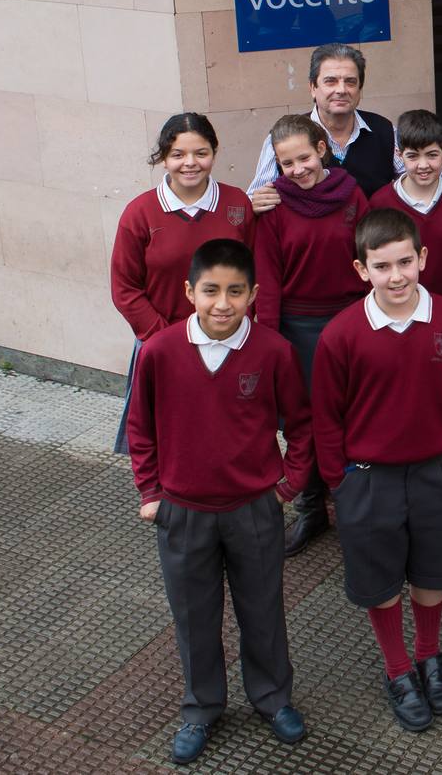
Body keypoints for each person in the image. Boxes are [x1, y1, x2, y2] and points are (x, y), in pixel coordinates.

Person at [126, 239, 309, 765]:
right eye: (211, 291)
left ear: (253, 294)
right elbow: (140, 428)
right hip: (182, 512)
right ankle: (201, 708)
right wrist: (151, 493)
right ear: (189, 292)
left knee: (263, 609)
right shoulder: (159, 351)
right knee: (193, 615)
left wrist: (288, 486)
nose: (222, 303)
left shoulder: (273, 351)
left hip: (254, 507)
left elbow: (300, 425)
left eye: (235, 292)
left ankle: (273, 699)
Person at [312, 208, 442, 732]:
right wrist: (341, 482)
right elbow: (326, 416)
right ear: (362, 270)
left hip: (438, 473)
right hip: (369, 478)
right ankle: (398, 668)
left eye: (406, 261)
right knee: (380, 582)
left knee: (432, 574)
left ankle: (429, 654)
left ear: (423, 258)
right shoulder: (340, 335)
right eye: (382, 266)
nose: (397, 275)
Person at [253, 114, 370, 557]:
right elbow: (267, 278)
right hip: (295, 328)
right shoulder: (273, 207)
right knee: (304, 421)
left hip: (348, 321)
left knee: (350, 415)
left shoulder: (352, 195)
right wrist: (269, 342)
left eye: (304, 157)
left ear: (322, 149)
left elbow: (367, 260)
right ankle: (309, 508)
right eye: (286, 163)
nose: (297, 169)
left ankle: (352, 506)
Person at [111, 114, 253, 455]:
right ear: (163, 158)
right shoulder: (140, 213)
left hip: (227, 340)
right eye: (177, 154)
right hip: (161, 342)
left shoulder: (237, 205)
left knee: (224, 433)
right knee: (164, 438)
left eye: (200, 153)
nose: (190, 163)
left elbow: (253, 273)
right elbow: (125, 288)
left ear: (215, 154)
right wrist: (165, 339)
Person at [247, 42, 442, 206]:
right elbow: (255, 199)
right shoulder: (283, 137)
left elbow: (413, 171)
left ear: (360, 89)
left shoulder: (384, 131)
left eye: (350, 82)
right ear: (313, 88)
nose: (341, 90)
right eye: (330, 81)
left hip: (376, 255)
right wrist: (255, 203)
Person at [370, 110, 442, 309]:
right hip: (400, 311)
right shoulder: (380, 204)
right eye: (413, 156)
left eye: (432, 155)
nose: (423, 165)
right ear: (399, 154)